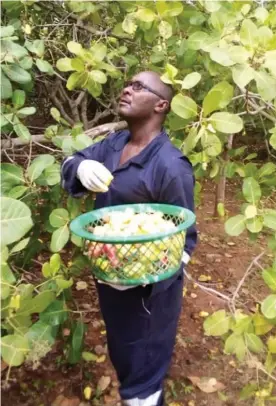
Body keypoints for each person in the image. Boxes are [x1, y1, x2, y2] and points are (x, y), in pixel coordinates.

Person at [61, 71, 198, 406]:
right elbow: (72, 163)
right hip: (110, 282)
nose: (127, 89)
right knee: (123, 356)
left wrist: (146, 279)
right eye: (128, 83)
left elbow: (186, 242)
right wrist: (78, 167)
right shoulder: (115, 144)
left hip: (147, 301)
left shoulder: (170, 166)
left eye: (139, 87)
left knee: (142, 380)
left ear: (160, 105)